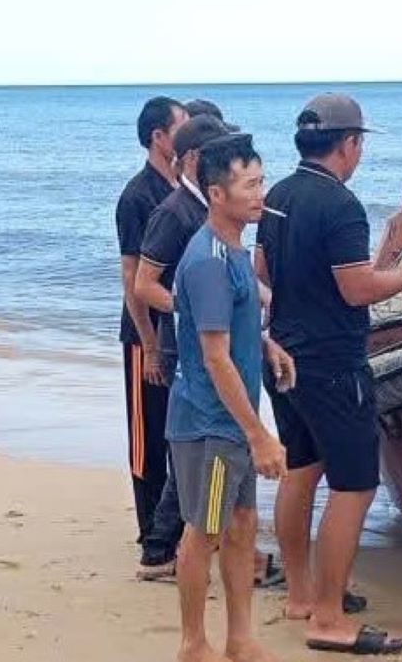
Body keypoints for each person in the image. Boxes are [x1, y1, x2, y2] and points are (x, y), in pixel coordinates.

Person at [256, 93, 402, 656]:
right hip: (333, 364)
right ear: (350, 145)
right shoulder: (340, 205)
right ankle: (328, 616)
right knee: (354, 485)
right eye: (360, 144)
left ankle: (300, 594)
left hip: (283, 353)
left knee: (301, 468)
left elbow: (262, 270)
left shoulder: (277, 197)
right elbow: (357, 288)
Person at [169, 133, 294, 662]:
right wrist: (258, 434)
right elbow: (214, 358)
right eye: (249, 185)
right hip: (211, 424)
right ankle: (194, 644)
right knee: (206, 531)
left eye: (261, 181)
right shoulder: (208, 261)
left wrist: (265, 343)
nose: (259, 194)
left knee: (242, 527)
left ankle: (240, 638)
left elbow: (230, 327)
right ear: (216, 194)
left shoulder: (236, 249)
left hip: (231, 419)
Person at [132, 114, 231, 579]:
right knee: (201, 446)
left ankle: (175, 544)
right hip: (186, 347)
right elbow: (142, 284)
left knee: (208, 446)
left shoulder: (209, 209)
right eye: (220, 157)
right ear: (193, 159)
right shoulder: (174, 212)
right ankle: (161, 548)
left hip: (211, 342)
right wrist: (193, 313)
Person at [116, 96, 189, 546]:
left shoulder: (182, 190)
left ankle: (178, 527)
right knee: (147, 439)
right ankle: (151, 535)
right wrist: (149, 344)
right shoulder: (137, 196)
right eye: (180, 126)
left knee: (177, 432)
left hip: (178, 332)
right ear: (159, 137)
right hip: (146, 333)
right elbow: (132, 276)